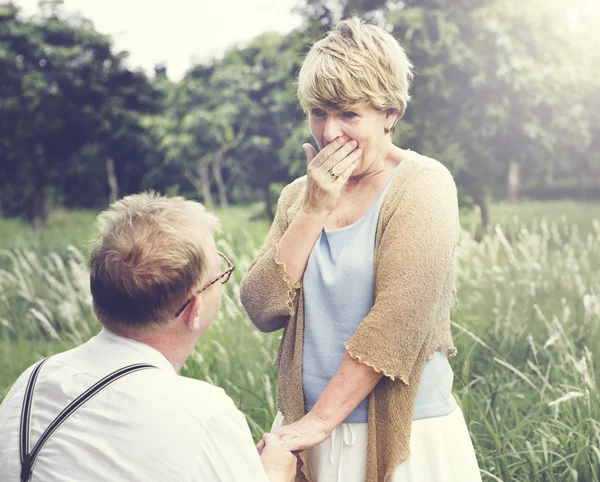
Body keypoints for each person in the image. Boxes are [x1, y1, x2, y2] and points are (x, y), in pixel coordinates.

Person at [241, 17, 482, 482]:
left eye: (348, 115)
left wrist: (320, 420)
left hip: (405, 435)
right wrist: (313, 210)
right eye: (318, 112)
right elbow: (261, 307)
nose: (329, 133)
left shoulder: (423, 185)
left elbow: (397, 321)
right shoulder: (299, 194)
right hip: (305, 433)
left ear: (390, 112)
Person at [0, 192, 296, 482]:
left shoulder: (33, 381)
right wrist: (276, 474)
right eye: (219, 276)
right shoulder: (204, 413)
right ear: (194, 309)